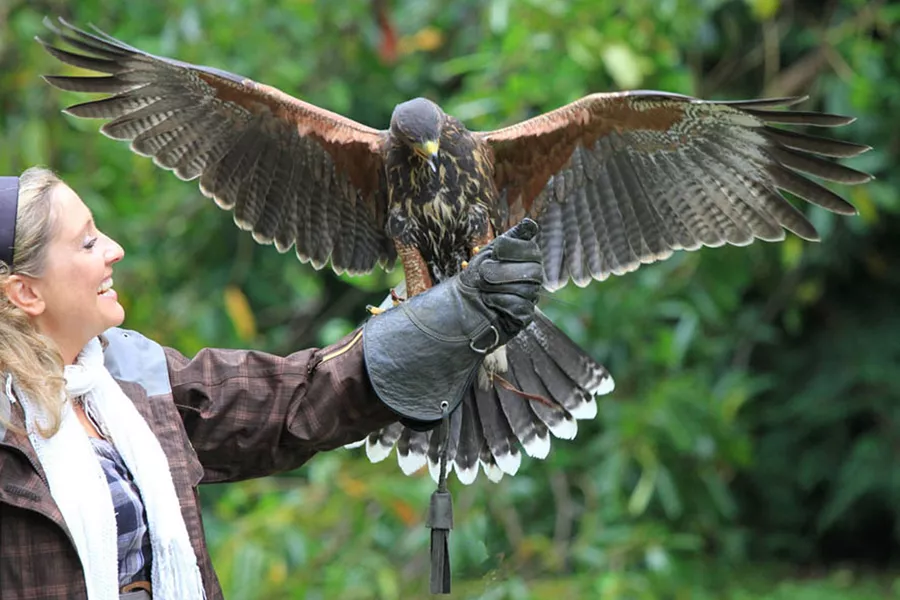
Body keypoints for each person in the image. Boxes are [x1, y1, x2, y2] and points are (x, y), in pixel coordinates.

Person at [0, 166, 544, 600]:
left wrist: (446, 322)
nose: (114, 250)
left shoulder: (130, 378)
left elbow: (291, 402)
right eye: (88, 243)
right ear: (27, 293)